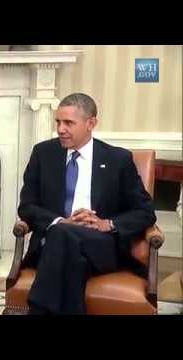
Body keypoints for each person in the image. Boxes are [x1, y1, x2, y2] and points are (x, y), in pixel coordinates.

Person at [18, 93, 156, 315]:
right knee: (72, 257)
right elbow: (26, 206)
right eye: (58, 122)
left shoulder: (117, 159)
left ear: (91, 123)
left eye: (68, 123)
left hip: (101, 245)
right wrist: (60, 221)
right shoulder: (43, 153)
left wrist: (107, 224)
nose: (60, 129)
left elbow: (145, 212)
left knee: (62, 235)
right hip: (57, 245)